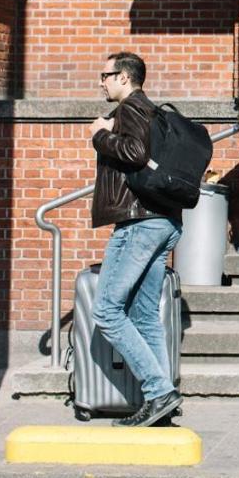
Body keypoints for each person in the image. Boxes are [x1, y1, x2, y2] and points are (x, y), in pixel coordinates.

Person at [88, 51, 184, 427]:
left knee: (106, 310)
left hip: (139, 223)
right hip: (164, 221)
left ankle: (159, 391)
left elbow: (134, 152)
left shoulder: (130, 108)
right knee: (144, 315)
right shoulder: (154, 111)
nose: (101, 81)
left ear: (124, 78)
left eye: (106, 75)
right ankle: (162, 399)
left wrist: (100, 134)